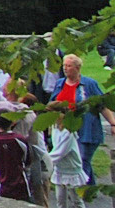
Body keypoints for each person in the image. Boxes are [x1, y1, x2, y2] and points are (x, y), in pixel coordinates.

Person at [41, 54, 114, 188]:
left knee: (83, 158)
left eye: (68, 66)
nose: (65, 69)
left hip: (87, 129)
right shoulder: (60, 83)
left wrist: (113, 123)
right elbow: (52, 104)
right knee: (79, 159)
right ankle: (89, 187)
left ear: (77, 68)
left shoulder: (89, 84)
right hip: (65, 128)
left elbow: (102, 105)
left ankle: (81, 188)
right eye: (64, 66)